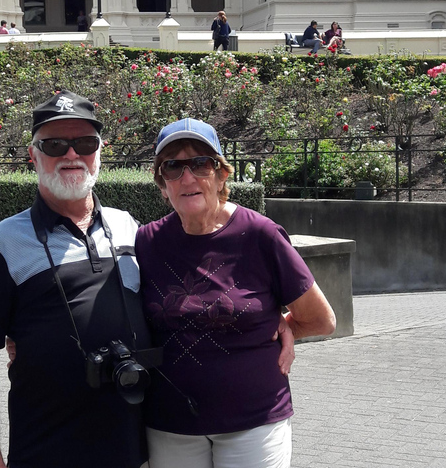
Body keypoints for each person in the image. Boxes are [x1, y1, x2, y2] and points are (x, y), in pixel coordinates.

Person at [0, 90, 152, 468]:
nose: (71, 154)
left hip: (137, 450)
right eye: (55, 144)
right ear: (34, 155)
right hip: (46, 450)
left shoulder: (127, 226)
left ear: (100, 151)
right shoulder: (2, 243)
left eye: (84, 142)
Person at [135, 119, 336, 468]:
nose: (188, 177)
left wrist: (287, 326)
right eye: (173, 166)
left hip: (253, 419)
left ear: (221, 174)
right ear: (162, 183)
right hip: (172, 424)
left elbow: (322, 319)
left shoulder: (260, 235)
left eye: (200, 163)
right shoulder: (146, 242)